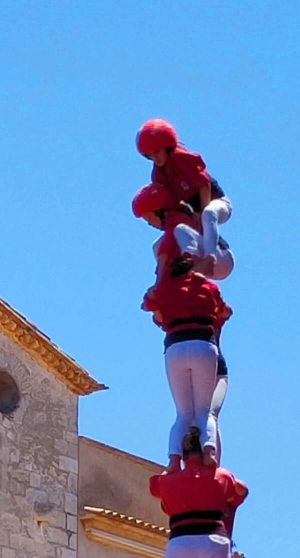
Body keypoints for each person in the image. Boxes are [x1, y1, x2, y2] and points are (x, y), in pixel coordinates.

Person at [142, 256, 231, 471]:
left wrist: (164, 314)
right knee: (203, 411)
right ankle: (209, 451)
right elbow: (225, 311)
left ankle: (173, 460)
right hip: (203, 343)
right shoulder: (208, 286)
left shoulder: (166, 289)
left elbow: (148, 303)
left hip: (175, 345)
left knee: (183, 413)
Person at [136, 119, 232, 271]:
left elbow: (203, 185)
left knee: (209, 214)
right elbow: (170, 204)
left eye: (157, 152)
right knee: (160, 244)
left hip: (215, 202)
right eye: (150, 155)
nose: (156, 158)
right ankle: (172, 275)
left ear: (167, 147)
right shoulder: (158, 175)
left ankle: (210, 258)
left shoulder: (183, 158)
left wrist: (200, 213)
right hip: (193, 212)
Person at [150, 428, 248, 557]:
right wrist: (214, 465)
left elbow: (153, 487)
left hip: (180, 541)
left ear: (183, 455)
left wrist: (172, 464)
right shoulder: (221, 476)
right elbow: (242, 490)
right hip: (214, 538)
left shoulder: (167, 481)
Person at [132, 183, 234, 281]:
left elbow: (167, 245)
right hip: (214, 263)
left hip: (220, 257)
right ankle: (181, 276)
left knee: (179, 230)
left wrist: (161, 273)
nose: (149, 223)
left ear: (160, 211)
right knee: (157, 245)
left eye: (149, 218)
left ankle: (192, 262)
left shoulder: (178, 217)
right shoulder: (174, 221)